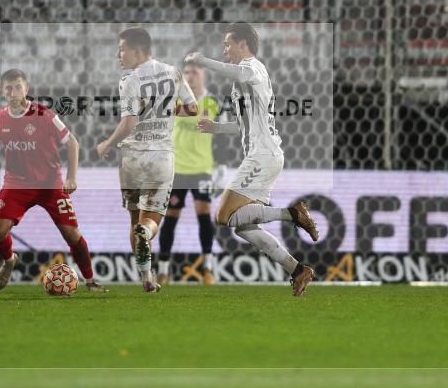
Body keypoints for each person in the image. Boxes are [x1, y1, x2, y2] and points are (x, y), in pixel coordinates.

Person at [0, 68, 106, 292]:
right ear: (1, 91)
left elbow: (72, 142)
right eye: (8, 88)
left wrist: (71, 177)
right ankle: (9, 260)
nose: (14, 91)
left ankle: (90, 280)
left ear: (27, 89)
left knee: (72, 234)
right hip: (17, 184)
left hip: (49, 184)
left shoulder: (44, 114)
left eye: (18, 87)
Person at [186, 22, 320, 296]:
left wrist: (203, 61)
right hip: (264, 155)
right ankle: (297, 270)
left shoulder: (253, 68)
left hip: (263, 155)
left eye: (227, 45)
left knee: (223, 216)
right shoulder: (244, 80)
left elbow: (237, 71)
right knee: (244, 228)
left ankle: (292, 214)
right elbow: (246, 123)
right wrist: (218, 128)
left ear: (243, 45)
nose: (225, 51)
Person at [96, 27, 198, 292]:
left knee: (134, 219)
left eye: (121, 49)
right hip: (161, 157)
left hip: (131, 160)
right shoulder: (173, 72)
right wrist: (165, 108)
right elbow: (193, 108)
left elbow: (129, 123)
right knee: (148, 221)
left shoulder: (129, 80)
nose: (118, 54)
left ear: (137, 51)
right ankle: (147, 235)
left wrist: (108, 142)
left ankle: (146, 278)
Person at [157, 59, 220, 286]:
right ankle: (163, 270)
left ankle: (208, 269)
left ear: (204, 74)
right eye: (186, 72)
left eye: (194, 71)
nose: (190, 75)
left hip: (201, 169)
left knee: (204, 216)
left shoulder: (211, 102)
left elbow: (206, 125)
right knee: (171, 219)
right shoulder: (174, 101)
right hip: (177, 170)